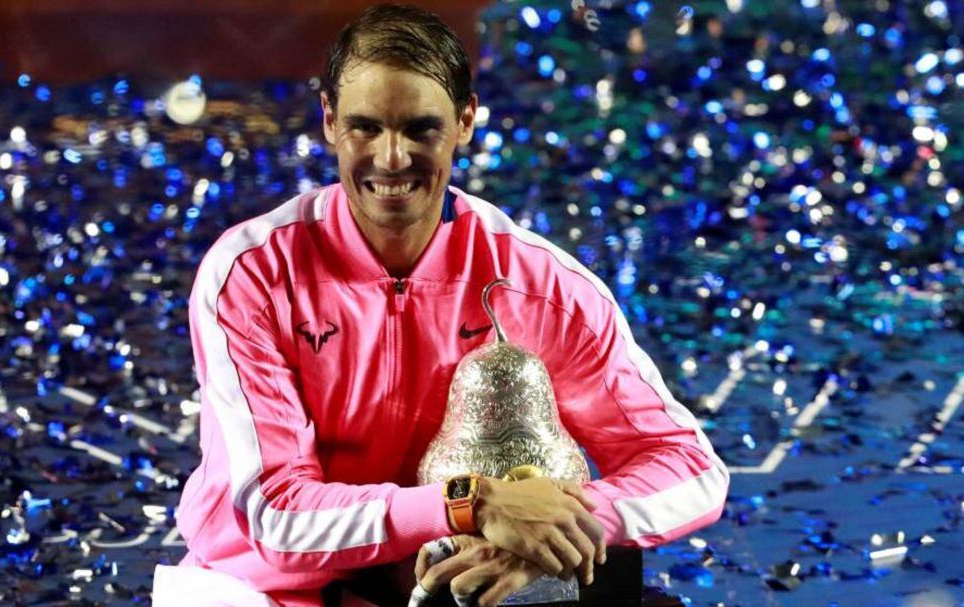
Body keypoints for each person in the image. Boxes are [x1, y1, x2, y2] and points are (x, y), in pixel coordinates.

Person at [152, 4, 729, 606]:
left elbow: (690, 468)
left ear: (466, 122)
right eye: (365, 127)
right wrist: (470, 503)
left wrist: (551, 526)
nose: (392, 157)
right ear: (328, 121)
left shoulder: (538, 284)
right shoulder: (252, 274)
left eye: (421, 128)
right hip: (267, 587)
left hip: (449, 575)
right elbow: (276, 515)